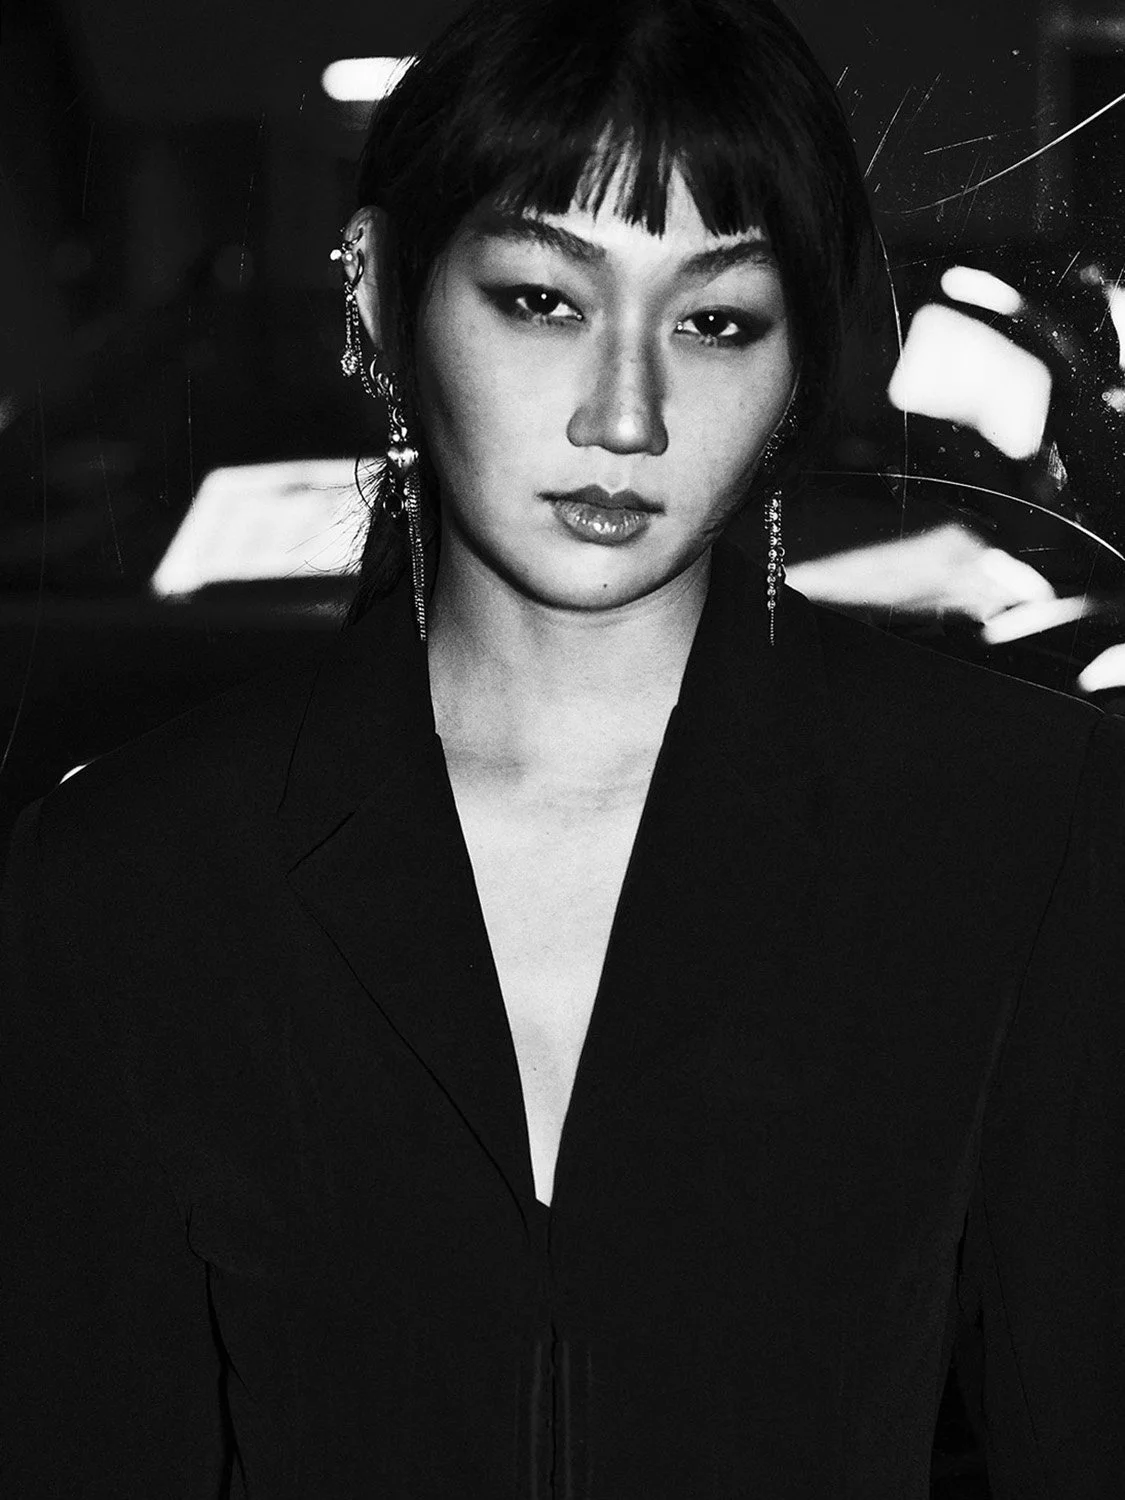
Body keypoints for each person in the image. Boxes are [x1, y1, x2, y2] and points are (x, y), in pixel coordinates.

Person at [3, 0, 1124, 1495]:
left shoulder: (1019, 823)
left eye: (718, 320)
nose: (628, 413)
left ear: (800, 364)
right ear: (378, 293)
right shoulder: (130, 883)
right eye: (544, 298)